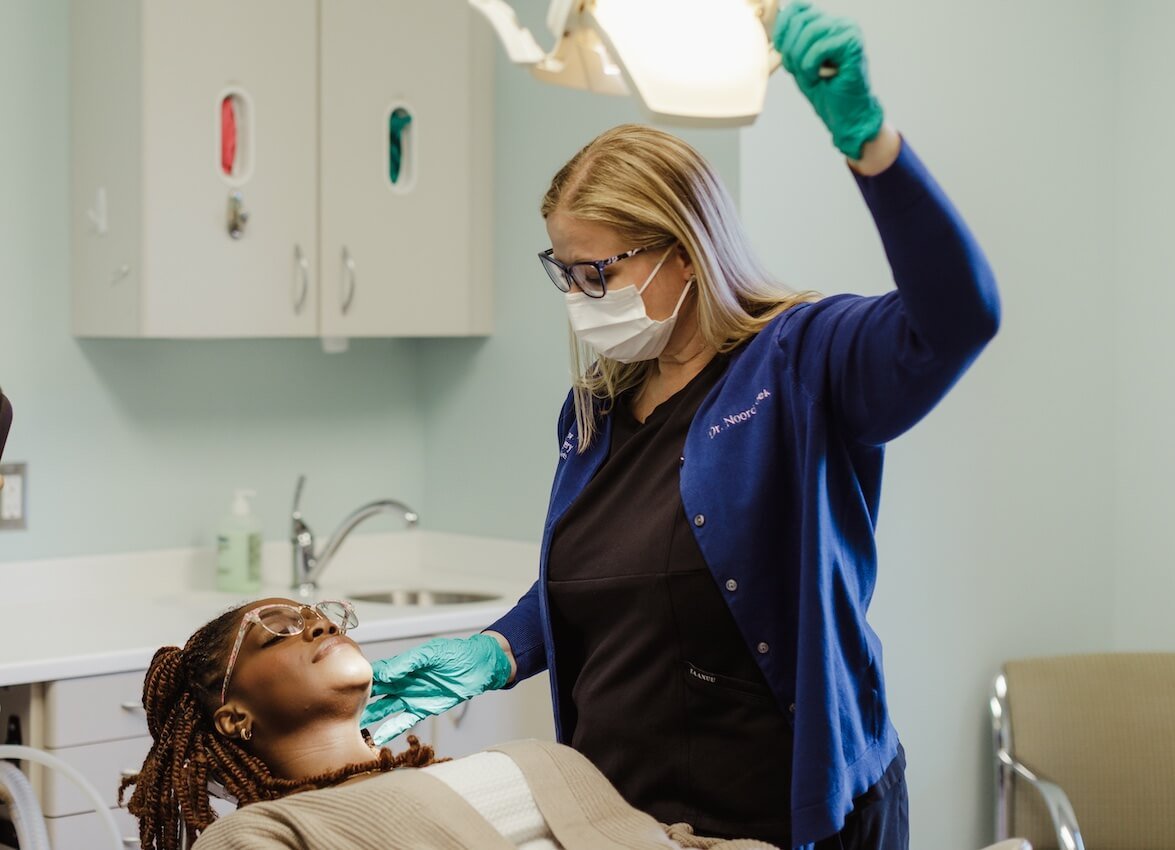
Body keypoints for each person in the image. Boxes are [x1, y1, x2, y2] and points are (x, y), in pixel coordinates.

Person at [363, 4, 1000, 850]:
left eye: (601, 271)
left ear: (685, 249)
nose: (582, 297)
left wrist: (871, 146)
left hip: (789, 818)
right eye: (566, 272)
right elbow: (602, 583)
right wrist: (496, 650)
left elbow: (958, 318)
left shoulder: (803, 362)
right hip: (628, 824)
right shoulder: (594, 414)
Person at [120, 598, 780, 850]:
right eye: (280, 633)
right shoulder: (264, 832)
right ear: (234, 719)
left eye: (321, 615)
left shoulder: (504, 765)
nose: (318, 623)